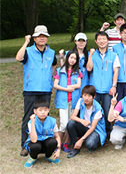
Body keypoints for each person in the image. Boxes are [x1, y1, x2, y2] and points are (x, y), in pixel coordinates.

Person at [16, 25, 58, 157]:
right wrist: (25, 42)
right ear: (34, 38)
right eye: (39, 36)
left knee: (44, 116)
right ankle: (25, 145)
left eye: (44, 36)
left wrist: (50, 77)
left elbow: (54, 64)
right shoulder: (28, 51)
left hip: (45, 90)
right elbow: (18, 58)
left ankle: (44, 142)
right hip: (31, 90)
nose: (42, 38)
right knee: (29, 117)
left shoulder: (51, 53)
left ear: (47, 38)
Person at [86, 31, 120, 137]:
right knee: (93, 111)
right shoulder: (91, 54)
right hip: (94, 89)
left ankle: (107, 132)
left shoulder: (113, 55)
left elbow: (116, 71)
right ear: (96, 41)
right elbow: (89, 68)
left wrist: (114, 86)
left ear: (108, 41)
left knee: (106, 111)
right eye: (99, 39)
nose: (102, 41)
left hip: (107, 88)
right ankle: (94, 132)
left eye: (104, 39)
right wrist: (91, 55)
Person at [53, 50, 83, 153]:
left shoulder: (78, 71)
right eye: (71, 58)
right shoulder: (59, 70)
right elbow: (55, 85)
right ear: (67, 58)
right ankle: (58, 144)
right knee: (63, 124)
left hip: (74, 101)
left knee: (70, 124)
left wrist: (71, 86)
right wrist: (67, 89)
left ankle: (66, 143)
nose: (72, 60)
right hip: (63, 101)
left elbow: (78, 85)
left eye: (75, 58)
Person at [66, 86, 106, 158]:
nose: (86, 98)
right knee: (70, 124)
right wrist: (82, 120)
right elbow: (73, 116)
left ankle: (93, 141)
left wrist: (81, 140)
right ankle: (76, 147)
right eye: (84, 95)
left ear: (94, 96)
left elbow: (93, 127)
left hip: (95, 130)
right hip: (84, 126)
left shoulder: (98, 108)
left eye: (89, 96)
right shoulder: (80, 101)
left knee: (90, 145)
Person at [23, 100, 62, 168]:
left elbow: (57, 136)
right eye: (40, 110)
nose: (43, 112)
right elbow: (34, 140)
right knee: (35, 146)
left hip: (46, 144)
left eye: (45, 110)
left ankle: (49, 156)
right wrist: (32, 122)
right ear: (35, 111)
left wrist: (58, 150)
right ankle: (33, 157)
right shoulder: (30, 122)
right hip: (36, 144)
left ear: (48, 110)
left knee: (52, 142)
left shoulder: (52, 121)